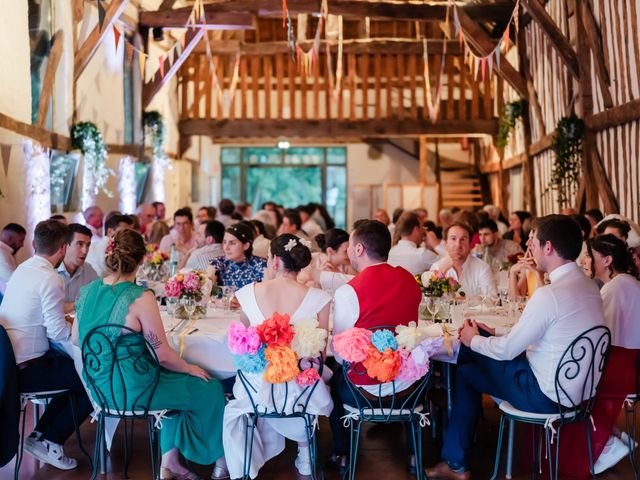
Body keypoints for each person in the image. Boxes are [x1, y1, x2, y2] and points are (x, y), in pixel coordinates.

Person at [425, 215, 605, 480]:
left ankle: (456, 463)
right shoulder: (588, 287)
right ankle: (456, 454)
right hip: (579, 395)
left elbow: (508, 350)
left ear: (548, 248)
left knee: (465, 368)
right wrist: (492, 331)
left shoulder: (550, 294)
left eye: (534, 242)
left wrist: (472, 340)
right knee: (474, 359)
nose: (530, 248)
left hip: (545, 396)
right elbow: (540, 329)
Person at [72, 229, 227, 479]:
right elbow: (162, 355)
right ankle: (220, 464)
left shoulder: (88, 290)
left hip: (99, 388)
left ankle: (171, 463)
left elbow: (77, 339)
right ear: (142, 260)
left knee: (175, 381)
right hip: (135, 388)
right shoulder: (141, 296)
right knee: (208, 387)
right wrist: (189, 368)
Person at [223, 234, 333, 479]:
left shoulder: (247, 293)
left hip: (257, 388)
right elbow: (321, 356)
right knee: (318, 375)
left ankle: (252, 450)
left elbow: (243, 344)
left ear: (273, 261)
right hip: (299, 391)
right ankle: (305, 451)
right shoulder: (320, 298)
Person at [327, 220, 422, 473]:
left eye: (350, 244)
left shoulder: (349, 291)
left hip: (364, 391)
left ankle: (342, 452)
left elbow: (340, 352)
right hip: (408, 388)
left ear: (359, 249)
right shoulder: (410, 280)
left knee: (332, 380)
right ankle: (414, 455)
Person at [0, 220, 92, 470]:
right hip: (27, 369)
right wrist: (75, 326)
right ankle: (48, 439)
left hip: (8, 363)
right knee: (90, 377)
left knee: (73, 369)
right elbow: (58, 333)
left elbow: (39, 307)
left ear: (34, 244)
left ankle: (42, 434)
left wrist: (70, 309)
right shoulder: (51, 278)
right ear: (63, 248)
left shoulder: (23, 269)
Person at [557, 235, 640, 478]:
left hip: (621, 365)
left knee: (569, 384)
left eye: (590, 256)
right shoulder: (627, 282)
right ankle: (609, 436)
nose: (585, 260)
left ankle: (607, 444)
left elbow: (599, 333)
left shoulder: (616, 287)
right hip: (628, 361)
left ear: (606, 260)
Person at [429, 222, 496, 296]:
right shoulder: (436, 267)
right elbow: (430, 302)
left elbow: (493, 299)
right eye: (453, 239)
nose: (458, 244)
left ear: (470, 245)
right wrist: (442, 271)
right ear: (445, 244)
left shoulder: (482, 268)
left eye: (463, 239)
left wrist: (467, 300)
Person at [210, 222, 267, 289]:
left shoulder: (261, 265)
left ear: (246, 245)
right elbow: (207, 289)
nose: (226, 247)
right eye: (225, 242)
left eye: (232, 243)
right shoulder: (218, 263)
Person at [57, 224, 98, 313]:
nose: (85, 251)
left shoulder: (89, 270)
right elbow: (48, 310)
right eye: (80, 244)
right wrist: (79, 304)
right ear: (66, 245)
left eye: (88, 245)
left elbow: (98, 300)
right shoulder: (51, 270)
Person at [0, 223, 26, 294]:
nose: (22, 245)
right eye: (20, 241)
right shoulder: (1, 253)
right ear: (10, 239)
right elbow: (12, 280)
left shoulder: (7, 252)